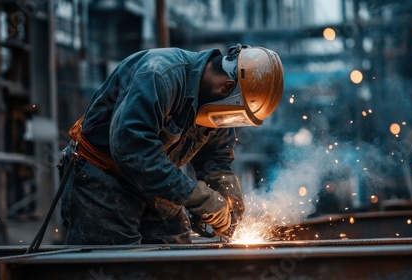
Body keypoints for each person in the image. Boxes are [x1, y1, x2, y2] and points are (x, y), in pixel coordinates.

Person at [59, 44, 284, 245]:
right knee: (120, 264)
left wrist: (224, 186)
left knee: (176, 257)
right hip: (104, 177)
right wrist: (197, 197)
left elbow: (216, 157)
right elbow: (133, 152)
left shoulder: (216, 103)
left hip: (156, 181)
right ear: (226, 87)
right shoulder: (159, 75)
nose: (228, 123)